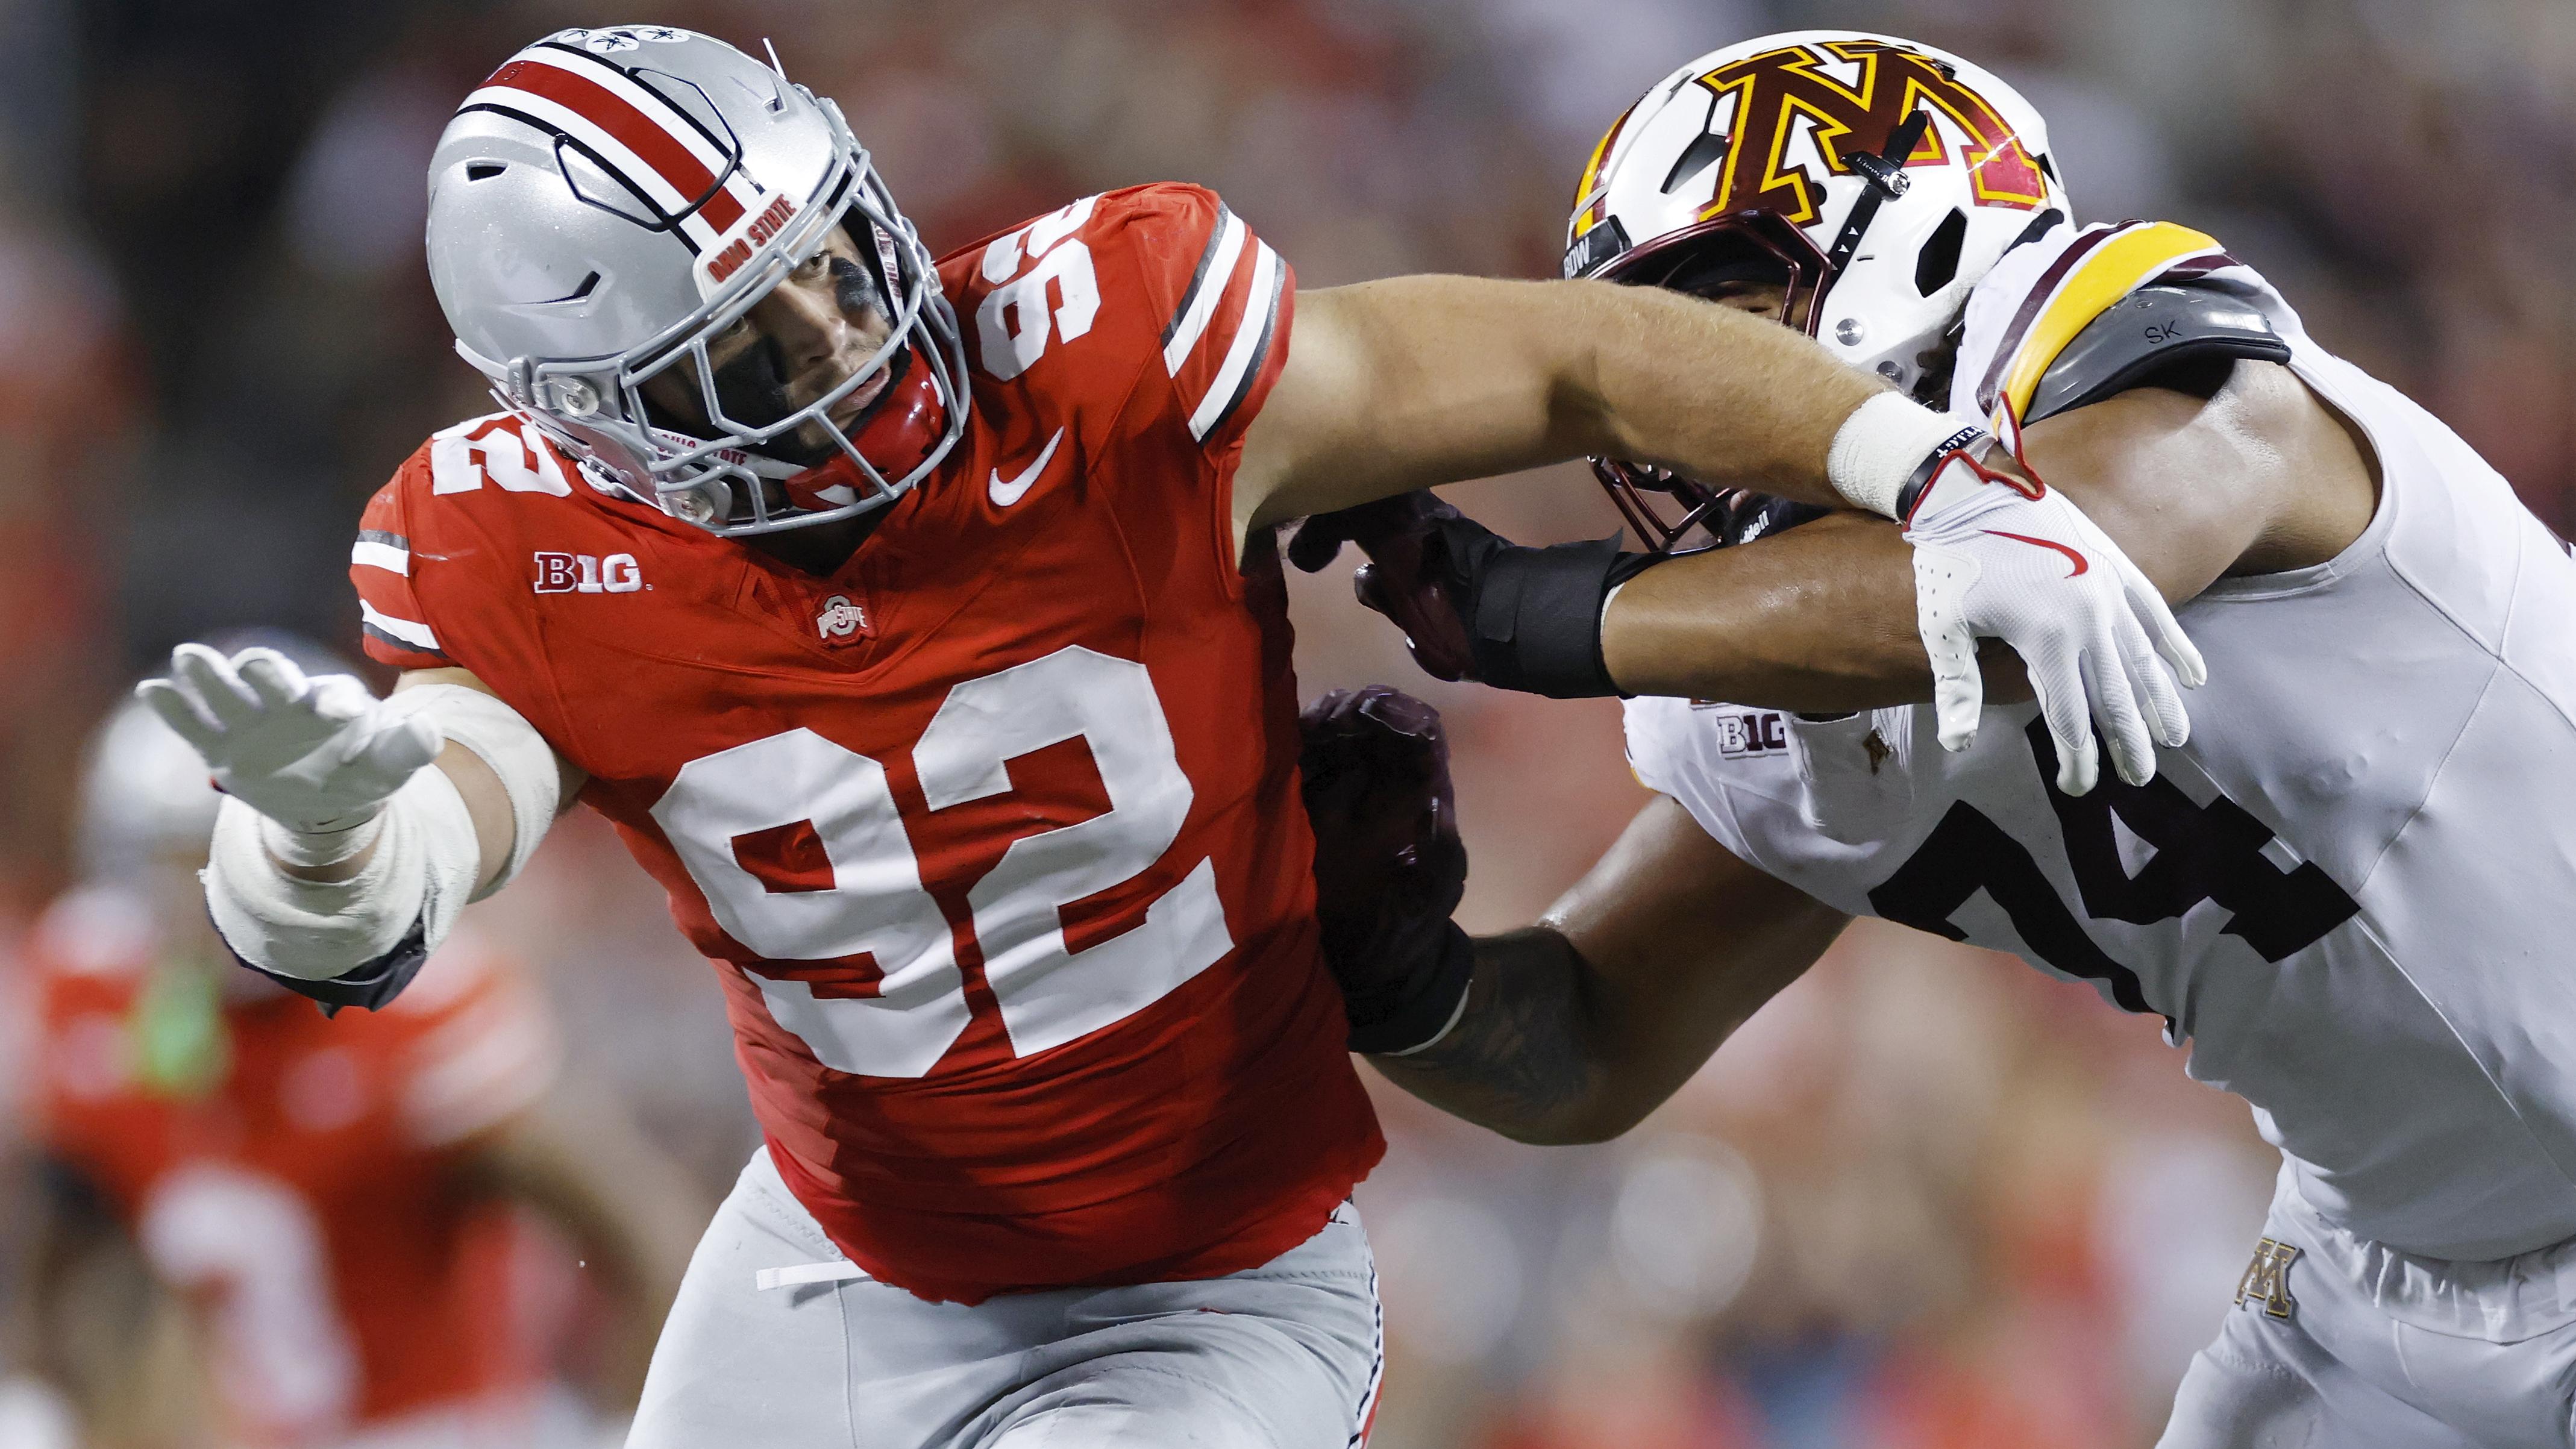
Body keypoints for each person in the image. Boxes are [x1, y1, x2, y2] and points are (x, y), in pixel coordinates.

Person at [133, 25, 2196, 1447]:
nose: (855, 340)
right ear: (594, 423)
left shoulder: (1116, 348)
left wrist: (1920, 470)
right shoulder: (518, 553)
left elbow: (1570, 355)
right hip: (840, 1261)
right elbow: (439, 814)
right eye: (757, 348)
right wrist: (328, 854)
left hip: (1209, 1280)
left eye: (844, 260)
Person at [1296, 28, 2576, 1449]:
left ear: (1909, 236)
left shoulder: (2138, 344)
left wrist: (1542, 616)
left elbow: (2042, 571)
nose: (1668, 406)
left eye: (1712, 313)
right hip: (2378, 1278)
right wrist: (1395, 971)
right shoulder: (1761, 664)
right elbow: (1593, 1036)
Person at [7, 667, 705, 1449]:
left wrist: (650, 1417)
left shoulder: (413, 1010)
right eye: (160, 859)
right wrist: (50, 1391)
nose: (184, 897)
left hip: (440, 1429)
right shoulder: (94, 988)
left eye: (206, 857)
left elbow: (629, 1222)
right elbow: (64, 1233)